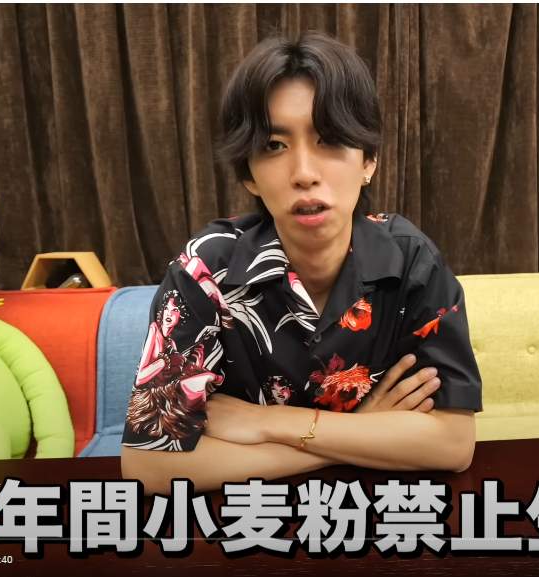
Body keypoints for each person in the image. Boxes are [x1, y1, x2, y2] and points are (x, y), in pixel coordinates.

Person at [121, 31, 482, 494]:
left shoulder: (411, 260)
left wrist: (268, 422)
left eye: (330, 139)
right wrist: (365, 433)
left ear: (368, 160)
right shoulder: (205, 268)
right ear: (249, 174)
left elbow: (452, 443)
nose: (305, 174)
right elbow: (149, 466)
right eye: (274, 146)